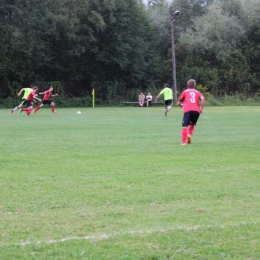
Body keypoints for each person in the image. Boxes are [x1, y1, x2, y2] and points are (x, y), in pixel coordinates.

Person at [177, 79, 205, 145]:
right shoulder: (198, 92)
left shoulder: (185, 92)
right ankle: (189, 134)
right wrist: (202, 108)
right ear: (195, 85)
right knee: (192, 123)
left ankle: (184, 142)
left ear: (187, 85)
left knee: (185, 126)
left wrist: (181, 105)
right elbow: (203, 99)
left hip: (188, 110)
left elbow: (178, 103)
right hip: (196, 111)